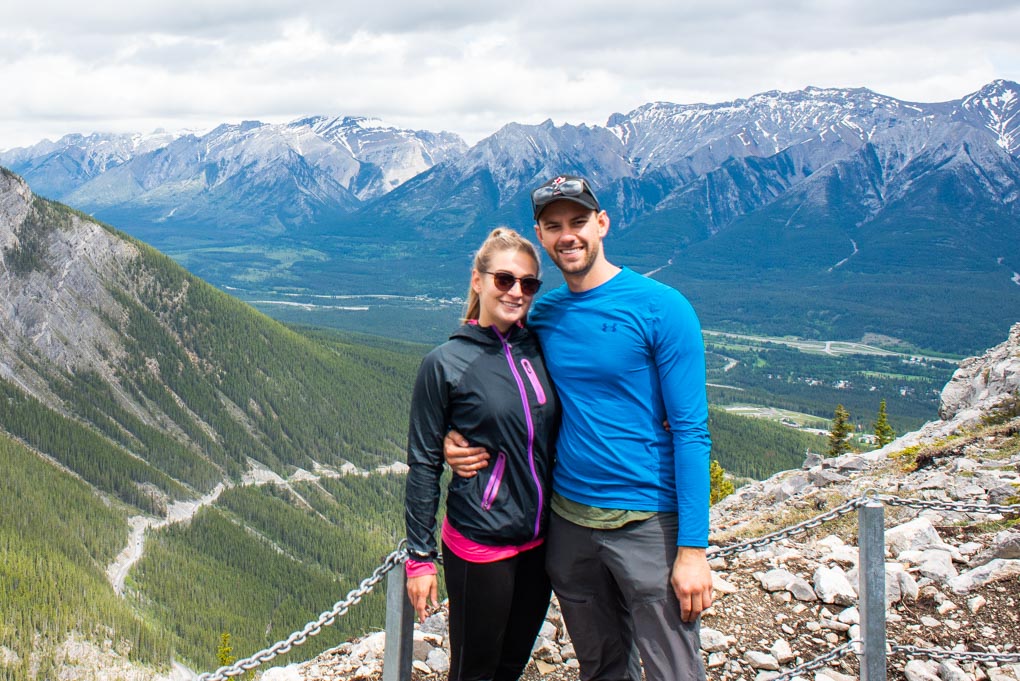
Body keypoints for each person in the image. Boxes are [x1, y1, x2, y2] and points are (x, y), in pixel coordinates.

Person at [445, 175, 713, 681]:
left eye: (579, 221)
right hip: (568, 524)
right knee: (601, 666)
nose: (568, 235)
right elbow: (481, 376)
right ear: (541, 237)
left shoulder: (663, 308)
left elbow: (691, 432)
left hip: (648, 520)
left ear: (602, 223)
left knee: (673, 670)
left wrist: (693, 549)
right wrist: (449, 437)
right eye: (554, 226)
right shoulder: (541, 313)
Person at [404, 227, 559, 681]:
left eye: (528, 283)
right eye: (504, 280)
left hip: (540, 541)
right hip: (481, 541)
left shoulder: (541, 346)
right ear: (478, 280)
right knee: (474, 670)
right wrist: (420, 557)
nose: (516, 292)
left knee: (512, 664)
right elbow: (424, 463)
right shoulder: (445, 364)